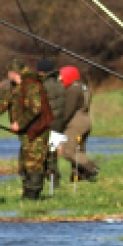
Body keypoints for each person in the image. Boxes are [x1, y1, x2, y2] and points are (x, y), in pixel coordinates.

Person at [0, 59, 53, 200]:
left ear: (14, 73)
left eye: (8, 73)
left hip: (37, 131)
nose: (7, 76)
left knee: (34, 165)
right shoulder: (16, 88)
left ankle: (33, 197)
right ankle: (27, 197)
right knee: (24, 165)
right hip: (26, 133)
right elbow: (4, 103)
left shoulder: (32, 85)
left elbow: (36, 109)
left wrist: (19, 123)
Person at [58, 65, 100, 181]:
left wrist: (59, 124)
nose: (60, 79)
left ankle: (91, 168)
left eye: (62, 76)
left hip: (75, 124)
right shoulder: (84, 87)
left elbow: (68, 110)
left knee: (68, 151)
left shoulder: (72, 89)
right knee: (79, 150)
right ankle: (78, 176)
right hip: (86, 121)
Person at [38, 58, 67, 187]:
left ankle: (46, 182)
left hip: (47, 124)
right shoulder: (60, 85)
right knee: (53, 154)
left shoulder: (43, 86)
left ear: (41, 72)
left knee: (45, 155)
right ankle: (55, 183)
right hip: (59, 124)